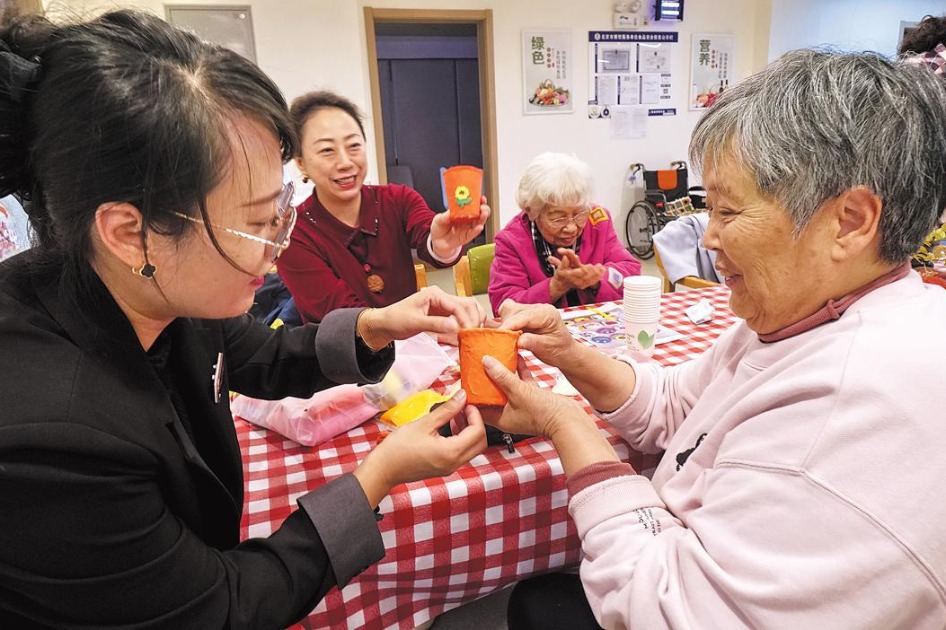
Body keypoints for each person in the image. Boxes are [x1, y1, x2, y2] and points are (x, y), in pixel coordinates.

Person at [0, 10, 488, 628]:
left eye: (280, 211)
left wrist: (382, 323)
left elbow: (263, 357)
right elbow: (222, 607)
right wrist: (379, 474)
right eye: (256, 222)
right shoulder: (52, 442)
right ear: (130, 232)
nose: (277, 246)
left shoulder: (158, 294)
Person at [484, 50, 946, 629]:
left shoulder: (849, 408)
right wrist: (569, 352)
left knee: (537, 604)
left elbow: (667, 612)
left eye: (728, 210)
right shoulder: (797, 316)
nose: (709, 235)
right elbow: (678, 401)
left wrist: (565, 422)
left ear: (849, 221)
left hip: (670, 589)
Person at [276, 90, 490, 323]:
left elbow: (427, 234)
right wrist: (429, 316)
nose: (346, 162)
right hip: (341, 357)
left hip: (412, 348)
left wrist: (443, 245)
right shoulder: (294, 234)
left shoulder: (396, 199)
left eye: (354, 146)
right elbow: (340, 316)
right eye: (327, 150)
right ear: (301, 163)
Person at [488, 152, 641, 314]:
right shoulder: (511, 240)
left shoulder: (598, 220)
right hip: (540, 335)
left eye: (579, 213)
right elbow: (503, 305)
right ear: (530, 210)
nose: (571, 227)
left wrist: (597, 279)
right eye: (558, 217)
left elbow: (631, 272)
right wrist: (556, 286)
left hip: (597, 328)